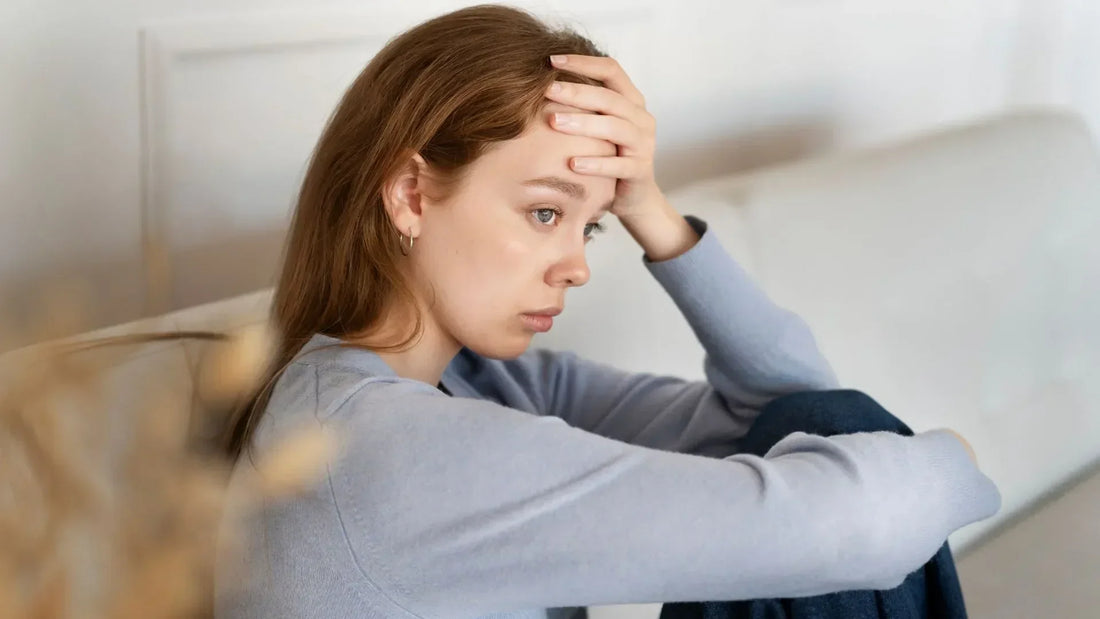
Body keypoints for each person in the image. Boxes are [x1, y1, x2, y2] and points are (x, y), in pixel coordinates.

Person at [213, 5, 1001, 618]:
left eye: (590, 225)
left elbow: (795, 404)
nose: (579, 265)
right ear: (411, 194)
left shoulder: (487, 384)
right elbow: (854, 527)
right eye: (544, 213)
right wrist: (956, 456)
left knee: (833, 423)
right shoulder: (376, 447)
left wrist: (649, 207)